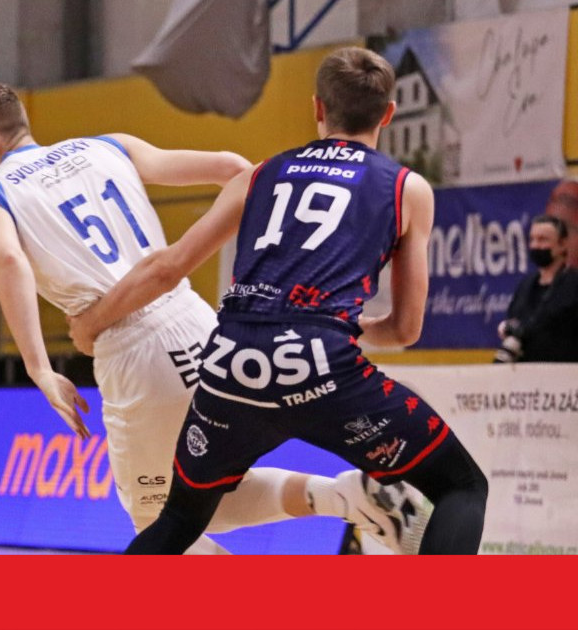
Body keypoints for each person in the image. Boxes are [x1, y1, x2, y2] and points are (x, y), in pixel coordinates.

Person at [0, 80, 428, 554]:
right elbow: (234, 168)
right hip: (201, 324)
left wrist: (39, 368)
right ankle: (346, 495)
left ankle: (343, 498)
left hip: (134, 348)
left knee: (157, 518)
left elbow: (9, 261)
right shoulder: (110, 146)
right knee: (202, 496)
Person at [69, 47, 489, 555]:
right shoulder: (407, 189)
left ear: (318, 107)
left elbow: (167, 267)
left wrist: (91, 322)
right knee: (462, 486)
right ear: (388, 114)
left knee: (178, 518)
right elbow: (405, 329)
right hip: (320, 364)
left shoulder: (259, 175)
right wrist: (336, 328)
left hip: (230, 361)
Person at [495, 214, 578, 362]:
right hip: (526, 370)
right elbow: (514, 320)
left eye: (543, 240)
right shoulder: (525, 286)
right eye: (532, 239)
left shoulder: (573, 284)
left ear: (563, 244)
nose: (535, 246)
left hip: (565, 369)